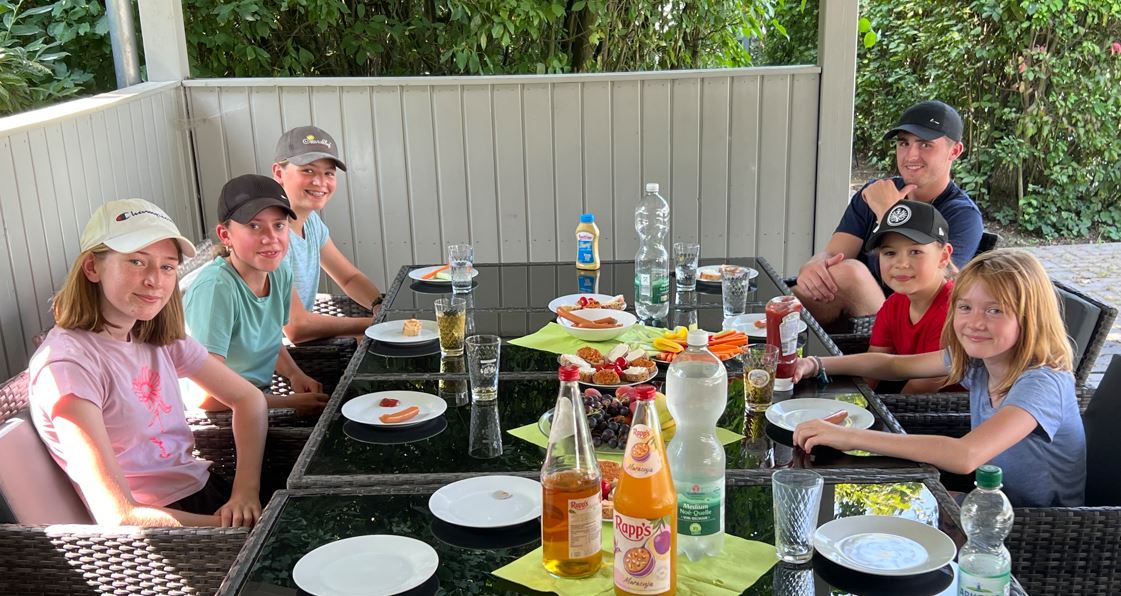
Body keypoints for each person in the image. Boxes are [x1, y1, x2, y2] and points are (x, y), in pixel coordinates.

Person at [28, 199, 267, 527]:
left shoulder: (153, 334)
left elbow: (249, 399)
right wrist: (238, 529)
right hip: (162, 530)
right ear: (92, 268)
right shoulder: (67, 366)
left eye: (167, 266)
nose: (155, 279)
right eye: (137, 262)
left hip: (207, 493)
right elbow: (119, 515)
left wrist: (245, 492)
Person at [792, 249, 1085, 507]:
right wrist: (815, 364)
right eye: (965, 307)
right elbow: (894, 366)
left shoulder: (1042, 382)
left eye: (995, 310)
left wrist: (850, 437)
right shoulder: (979, 359)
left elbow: (965, 455)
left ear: (1030, 317)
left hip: (1032, 521)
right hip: (988, 497)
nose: (975, 323)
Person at [795, 100, 983, 325]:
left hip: (911, 322)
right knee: (811, 287)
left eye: (925, 145)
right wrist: (814, 265)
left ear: (955, 151)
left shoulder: (963, 215)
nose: (911, 155)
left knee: (850, 273)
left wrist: (889, 212)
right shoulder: (876, 192)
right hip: (849, 317)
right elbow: (834, 254)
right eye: (904, 143)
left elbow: (943, 288)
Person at [183, 175, 329, 417]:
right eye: (254, 226)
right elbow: (203, 396)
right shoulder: (217, 289)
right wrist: (285, 403)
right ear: (225, 235)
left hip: (261, 398)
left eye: (279, 225)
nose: (270, 237)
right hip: (221, 416)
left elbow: (268, 339)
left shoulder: (280, 271)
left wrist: (295, 374)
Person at [271, 126, 381, 344]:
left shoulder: (310, 221)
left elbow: (349, 278)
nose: (320, 182)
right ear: (278, 173)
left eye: (329, 173)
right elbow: (296, 327)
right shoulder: (271, 235)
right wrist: (377, 324)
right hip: (278, 355)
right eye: (308, 170)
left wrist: (378, 304)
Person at [864, 200, 958, 394]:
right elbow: (873, 367)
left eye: (915, 252)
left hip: (952, 409)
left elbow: (919, 389)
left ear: (943, 256)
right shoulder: (894, 304)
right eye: (890, 253)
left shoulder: (954, 311)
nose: (901, 264)